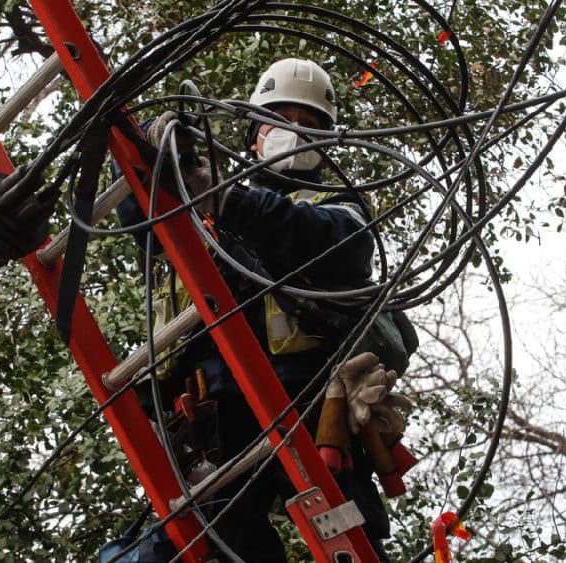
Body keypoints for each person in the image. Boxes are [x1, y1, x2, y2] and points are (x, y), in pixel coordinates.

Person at [117, 58, 392, 562]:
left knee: (348, 533)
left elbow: (335, 242)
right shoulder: (197, 203)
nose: (294, 133)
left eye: (308, 126)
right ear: (253, 135)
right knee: (211, 544)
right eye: (280, 121)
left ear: (324, 145)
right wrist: (155, 152)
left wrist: (220, 197)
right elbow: (137, 215)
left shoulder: (335, 203)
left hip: (306, 398)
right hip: (211, 407)